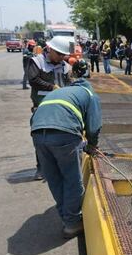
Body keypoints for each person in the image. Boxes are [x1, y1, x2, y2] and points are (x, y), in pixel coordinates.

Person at [30, 59, 102, 238]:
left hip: (38, 133)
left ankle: (66, 216)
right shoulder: (89, 93)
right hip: (64, 134)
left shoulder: (62, 91)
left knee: (54, 178)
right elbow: (93, 126)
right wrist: (92, 146)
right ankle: (71, 223)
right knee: (72, 181)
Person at [27, 36, 72, 111]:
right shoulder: (38, 61)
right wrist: (52, 87)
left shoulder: (65, 66)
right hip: (42, 106)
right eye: (59, 53)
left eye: (63, 54)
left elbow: (69, 83)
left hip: (61, 106)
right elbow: (33, 80)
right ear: (50, 49)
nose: (61, 57)